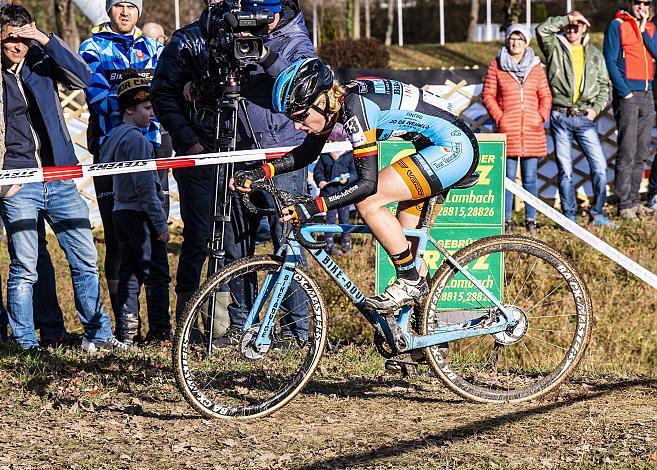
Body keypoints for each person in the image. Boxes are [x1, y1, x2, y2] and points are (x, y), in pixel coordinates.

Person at [232, 58, 479, 311]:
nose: (297, 125)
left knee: (369, 202)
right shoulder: (339, 102)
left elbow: (366, 185)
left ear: (321, 102)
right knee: (409, 250)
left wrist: (314, 206)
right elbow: (308, 153)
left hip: (452, 149)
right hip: (436, 147)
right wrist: (262, 172)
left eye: (301, 116)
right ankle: (427, 341)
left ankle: (410, 282)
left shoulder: (354, 107)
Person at [151, 0, 315, 344]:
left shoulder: (291, 35)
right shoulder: (205, 35)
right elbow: (167, 90)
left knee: (288, 239)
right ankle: (242, 327)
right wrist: (193, 129)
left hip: (281, 152)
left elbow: (301, 82)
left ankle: (300, 332)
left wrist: (265, 55)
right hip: (230, 150)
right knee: (234, 243)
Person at [0, 4, 126, 352]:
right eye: (11, 37)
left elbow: (84, 78)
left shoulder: (41, 60)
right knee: (25, 267)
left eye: (23, 37)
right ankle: (25, 342)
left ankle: (98, 335)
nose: (17, 45)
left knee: (85, 260)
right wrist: (6, 183)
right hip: (18, 182)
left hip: (61, 176)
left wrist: (44, 39)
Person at [78, 0, 163, 322]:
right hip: (110, 152)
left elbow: (163, 94)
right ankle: (123, 323)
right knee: (117, 237)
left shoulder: (153, 48)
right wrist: (139, 99)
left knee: (156, 232)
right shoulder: (93, 47)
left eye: (131, 6)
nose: (125, 12)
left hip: (151, 147)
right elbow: (96, 97)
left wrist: (132, 99)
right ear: (109, 10)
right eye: (118, 6)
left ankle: (159, 326)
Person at [99, 73, 171, 345]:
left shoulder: (113, 138)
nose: (152, 113)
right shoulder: (137, 141)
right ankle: (161, 332)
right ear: (130, 109)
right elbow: (146, 188)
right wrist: (160, 224)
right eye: (147, 108)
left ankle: (128, 332)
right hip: (141, 216)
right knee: (157, 275)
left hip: (121, 213)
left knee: (129, 271)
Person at [536, 12, 617, 228]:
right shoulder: (555, 48)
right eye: (570, 26)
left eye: (577, 25)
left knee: (599, 166)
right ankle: (569, 215)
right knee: (566, 169)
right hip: (560, 115)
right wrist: (567, 17)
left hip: (584, 117)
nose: (572, 29)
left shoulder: (594, 54)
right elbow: (541, 30)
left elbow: (604, 86)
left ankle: (597, 213)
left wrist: (596, 109)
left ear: (585, 29)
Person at [482, 24, 552, 234]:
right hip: (508, 130)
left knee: (530, 178)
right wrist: (500, 118)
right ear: (507, 40)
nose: (515, 43)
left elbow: (545, 95)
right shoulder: (497, 65)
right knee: (507, 179)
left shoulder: (536, 67)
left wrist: (540, 116)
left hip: (532, 129)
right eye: (512, 39)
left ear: (526, 43)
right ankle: (505, 222)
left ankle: (531, 220)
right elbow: (488, 95)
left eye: (520, 40)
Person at [604, 0, 657, 219]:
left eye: (646, 3)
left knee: (642, 151)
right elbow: (610, 60)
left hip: (648, 93)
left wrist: (644, 28)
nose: (641, 6)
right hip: (628, 93)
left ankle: (635, 200)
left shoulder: (651, 27)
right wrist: (624, 91)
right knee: (627, 149)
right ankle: (624, 203)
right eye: (638, 2)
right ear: (631, 4)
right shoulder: (617, 25)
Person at [313, 125, 357, 255]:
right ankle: (329, 244)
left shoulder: (349, 154)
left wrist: (348, 180)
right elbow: (318, 171)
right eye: (330, 141)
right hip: (329, 193)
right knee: (330, 219)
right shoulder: (325, 155)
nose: (332, 144)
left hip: (344, 193)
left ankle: (346, 243)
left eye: (334, 141)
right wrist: (320, 179)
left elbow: (355, 173)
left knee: (344, 219)